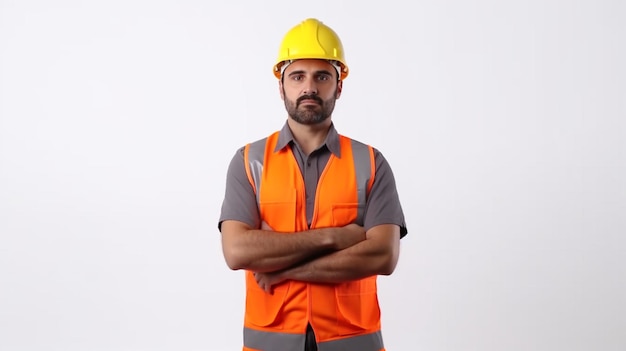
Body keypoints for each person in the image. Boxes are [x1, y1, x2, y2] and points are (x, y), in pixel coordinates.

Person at [218, 18, 408, 351]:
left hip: (353, 342)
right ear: (281, 87)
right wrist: (336, 236)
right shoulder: (249, 161)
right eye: (297, 76)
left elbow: (383, 255)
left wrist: (281, 270)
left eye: (322, 76)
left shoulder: (371, 162)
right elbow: (237, 251)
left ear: (339, 86)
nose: (310, 88)